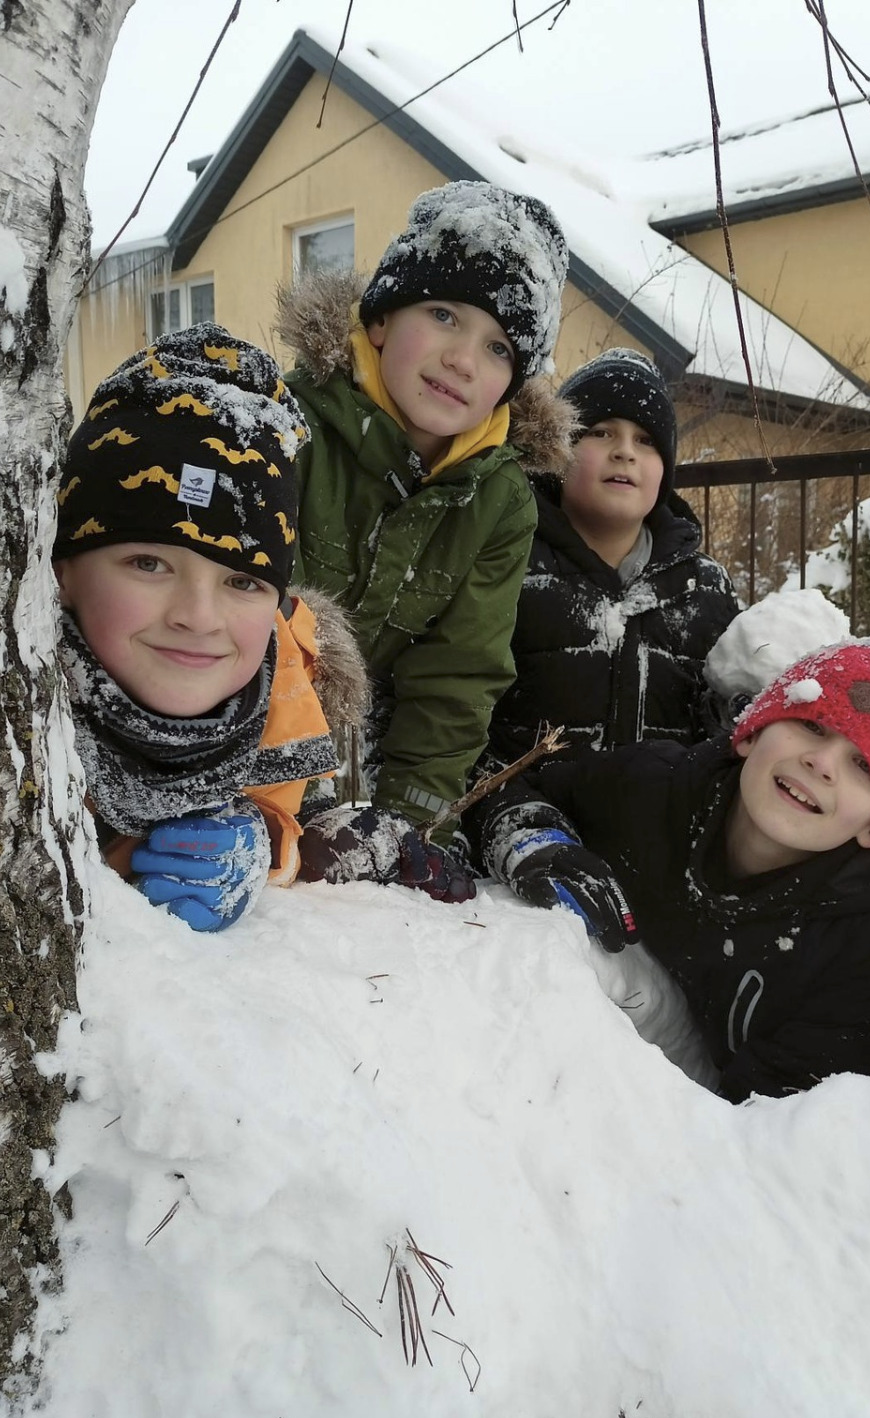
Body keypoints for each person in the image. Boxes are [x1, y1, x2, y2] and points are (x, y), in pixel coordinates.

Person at [469, 626, 870, 1101]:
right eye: (812, 725)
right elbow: (506, 789)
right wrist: (535, 841)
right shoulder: (650, 788)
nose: (821, 763)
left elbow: (765, 1132)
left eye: (865, 766)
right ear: (753, 731)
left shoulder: (850, 960)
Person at [273, 180, 574, 902]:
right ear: (378, 320)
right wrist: (305, 802)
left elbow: (458, 674)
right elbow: (252, 630)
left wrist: (404, 827)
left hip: (372, 761)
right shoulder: (285, 429)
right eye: (444, 315)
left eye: (499, 347)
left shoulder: (498, 498)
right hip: (258, 753)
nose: (464, 360)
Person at [53, 324, 365, 931]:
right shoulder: (5, 704)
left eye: (242, 581)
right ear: (64, 572)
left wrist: (258, 834)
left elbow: (285, 807)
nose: (197, 616)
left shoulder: (282, 688)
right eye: (149, 564)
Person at [485, 347, 741, 765]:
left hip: (659, 824)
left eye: (646, 440)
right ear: (559, 449)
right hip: (524, 818)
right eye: (600, 432)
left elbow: (719, 730)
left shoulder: (705, 586)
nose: (625, 451)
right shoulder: (508, 561)